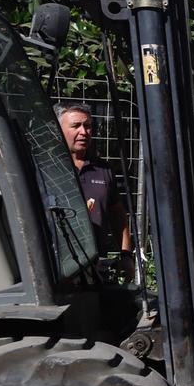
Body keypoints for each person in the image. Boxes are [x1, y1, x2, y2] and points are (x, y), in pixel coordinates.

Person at [55, 102, 133, 277]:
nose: (83, 132)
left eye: (87, 126)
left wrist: (126, 254)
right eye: (75, 126)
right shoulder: (46, 168)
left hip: (94, 265)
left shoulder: (102, 169)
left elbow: (117, 214)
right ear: (57, 130)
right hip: (56, 266)